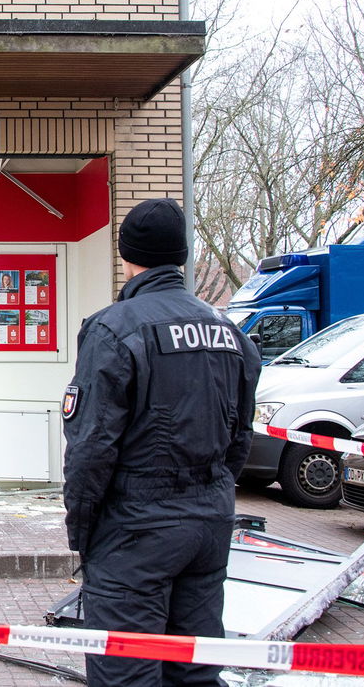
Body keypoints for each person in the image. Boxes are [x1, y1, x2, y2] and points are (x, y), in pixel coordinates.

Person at [61, 198, 260, 686]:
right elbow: (241, 437)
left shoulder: (112, 328)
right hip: (207, 525)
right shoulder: (229, 332)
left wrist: (83, 535)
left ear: (125, 256)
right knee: (193, 670)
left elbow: (90, 448)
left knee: (125, 672)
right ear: (183, 256)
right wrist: (209, 494)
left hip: (135, 530)